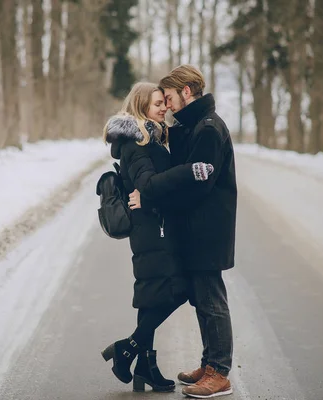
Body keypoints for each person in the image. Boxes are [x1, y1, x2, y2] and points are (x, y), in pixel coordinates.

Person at [128, 65, 237, 399]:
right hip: (196, 229)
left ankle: (219, 373)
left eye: (171, 97)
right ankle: (209, 364)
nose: (169, 104)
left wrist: (150, 195)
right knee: (203, 300)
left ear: (186, 91)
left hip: (208, 229)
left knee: (212, 300)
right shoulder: (193, 127)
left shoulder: (208, 129)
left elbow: (196, 183)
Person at [100, 82, 214, 393]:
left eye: (164, 102)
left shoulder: (152, 138)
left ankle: (145, 366)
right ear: (141, 108)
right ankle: (128, 349)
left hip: (155, 224)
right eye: (156, 104)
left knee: (153, 293)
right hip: (152, 229)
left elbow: (151, 187)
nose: (163, 107)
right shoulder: (137, 143)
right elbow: (148, 183)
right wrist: (189, 171)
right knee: (177, 289)